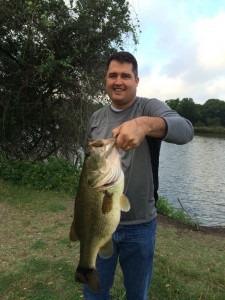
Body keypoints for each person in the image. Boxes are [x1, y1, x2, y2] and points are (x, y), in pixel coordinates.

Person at [83, 51, 194, 299]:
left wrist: (144, 125)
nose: (118, 81)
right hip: (99, 225)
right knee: (95, 293)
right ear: (106, 79)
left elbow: (186, 130)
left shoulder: (149, 107)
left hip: (140, 225)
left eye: (125, 75)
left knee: (137, 294)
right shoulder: (96, 117)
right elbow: (87, 169)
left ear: (136, 80)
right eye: (113, 75)